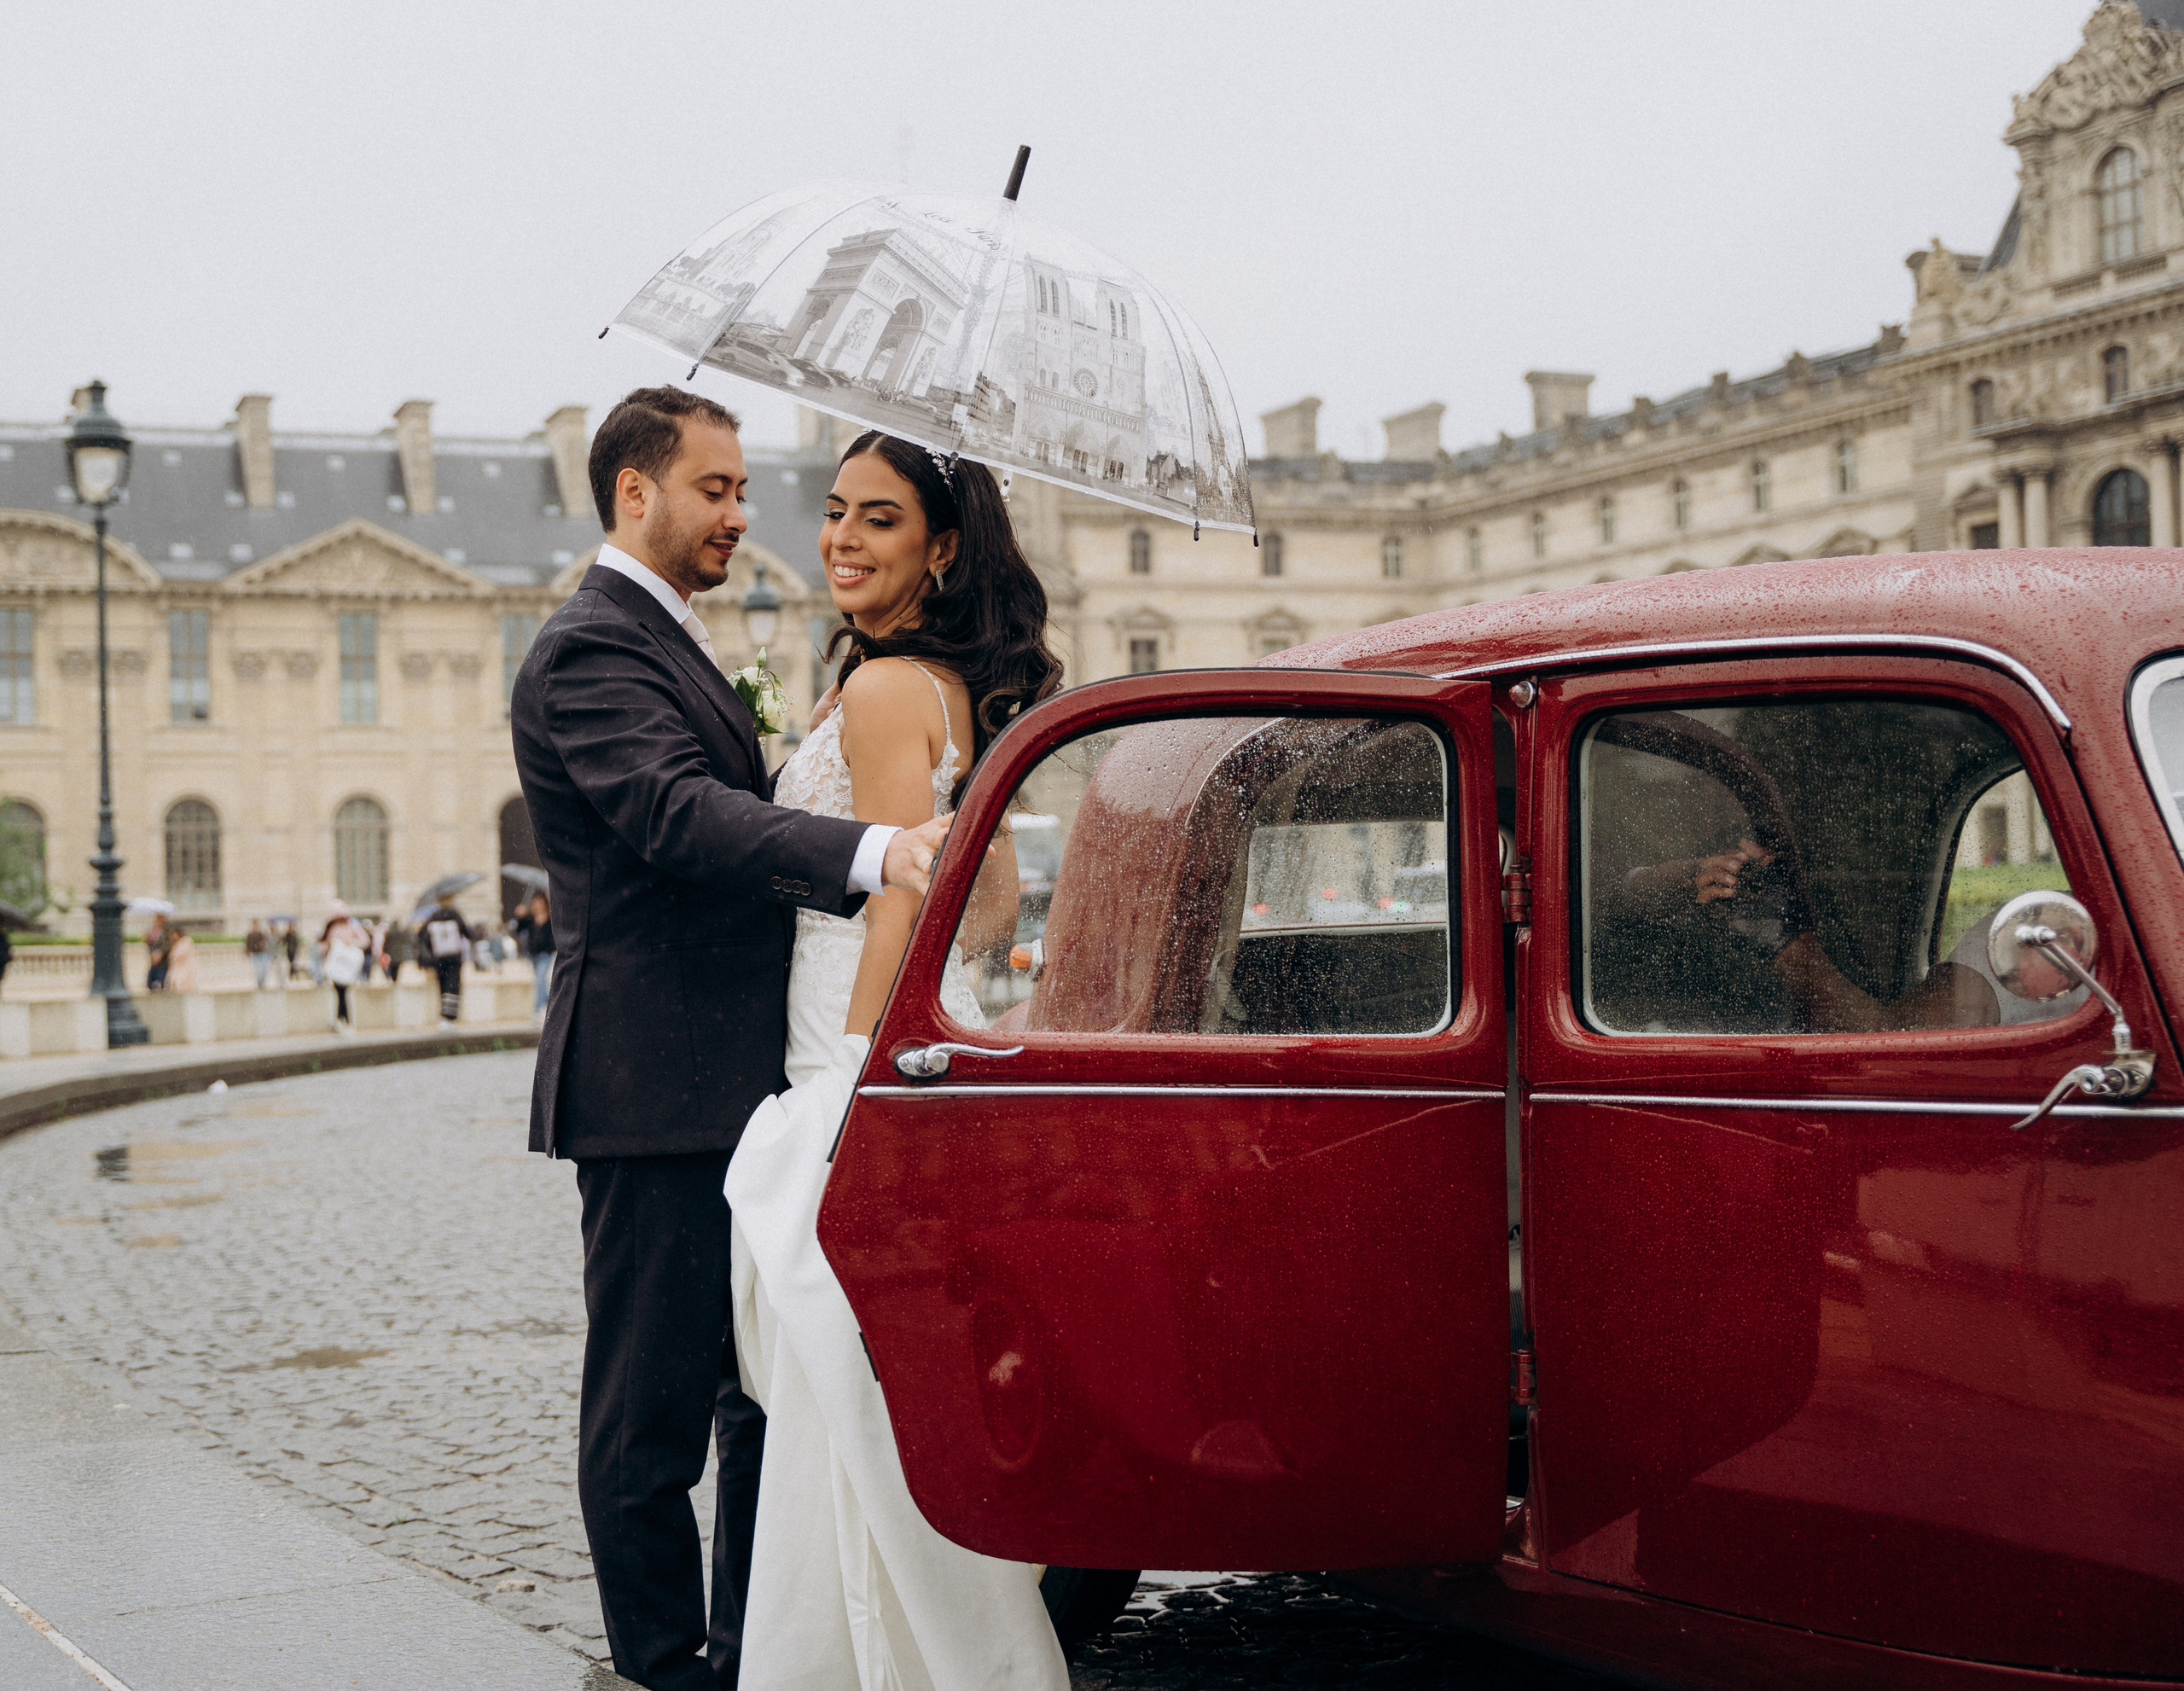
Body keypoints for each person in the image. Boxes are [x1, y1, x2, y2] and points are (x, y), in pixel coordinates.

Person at [509, 387, 952, 1691]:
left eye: (746, 490)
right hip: (651, 1084)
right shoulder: (590, 649)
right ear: (635, 493)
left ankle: (746, 1644)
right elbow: (674, 815)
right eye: (717, 490)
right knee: (649, 1411)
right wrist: (874, 850)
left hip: (738, 1079)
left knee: (757, 1387)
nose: (742, 517)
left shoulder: (671, 642)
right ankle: (659, 1665)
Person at [725, 430, 1062, 1691]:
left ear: (944, 546)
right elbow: (992, 903)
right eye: (832, 511)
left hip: (849, 1051)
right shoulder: (940, 689)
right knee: (880, 1374)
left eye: (879, 518)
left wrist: (859, 1068)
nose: (840, 539)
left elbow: (900, 904)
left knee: (838, 1387)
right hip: (922, 1045)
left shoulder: (876, 694)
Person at [420, 897, 475, 1022]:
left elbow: (424, 936)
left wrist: (432, 948)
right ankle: (450, 1015)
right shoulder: (455, 915)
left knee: (442, 984)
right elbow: (467, 932)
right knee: (453, 983)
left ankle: (444, 1015)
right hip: (454, 956)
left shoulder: (433, 916)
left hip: (439, 957)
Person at [320, 903, 369, 1032]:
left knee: (343, 992)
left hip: (347, 965)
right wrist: (330, 945)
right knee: (340, 993)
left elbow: (365, 941)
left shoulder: (353, 926)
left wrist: (351, 943)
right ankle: (342, 1018)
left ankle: (343, 1018)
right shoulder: (332, 928)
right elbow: (322, 946)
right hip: (337, 966)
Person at [514, 890, 554, 1017]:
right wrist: (519, 916)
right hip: (533, 955)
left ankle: (538, 1008)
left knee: (540, 979)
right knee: (539, 981)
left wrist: (550, 948)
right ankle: (549, 1003)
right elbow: (519, 929)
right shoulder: (530, 919)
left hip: (545, 954)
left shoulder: (550, 918)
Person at [143, 913, 171, 991]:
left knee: (160, 982)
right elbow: (151, 945)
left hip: (162, 963)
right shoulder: (153, 930)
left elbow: (168, 944)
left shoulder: (167, 931)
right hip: (153, 962)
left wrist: (161, 953)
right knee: (150, 983)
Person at [166, 926, 197, 993]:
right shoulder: (175, 945)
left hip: (184, 970)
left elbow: (178, 956)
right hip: (176, 970)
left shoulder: (186, 942)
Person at [246, 919, 274, 991]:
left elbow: (266, 942)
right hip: (254, 953)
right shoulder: (250, 934)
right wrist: (247, 953)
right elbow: (247, 944)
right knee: (257, 969)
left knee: (264, 968)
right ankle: (259, 982)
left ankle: (262, 981)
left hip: (262, 953)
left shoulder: (261, 934)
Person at [383, 917, 412, 984]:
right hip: (399, 952)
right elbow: (405, 941)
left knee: (392, 966)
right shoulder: (401, 932)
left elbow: (386, 942)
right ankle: (396, 979)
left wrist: (385, 950)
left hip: (391, 952)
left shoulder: (390, 933)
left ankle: (393, 978)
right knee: (397, 966)